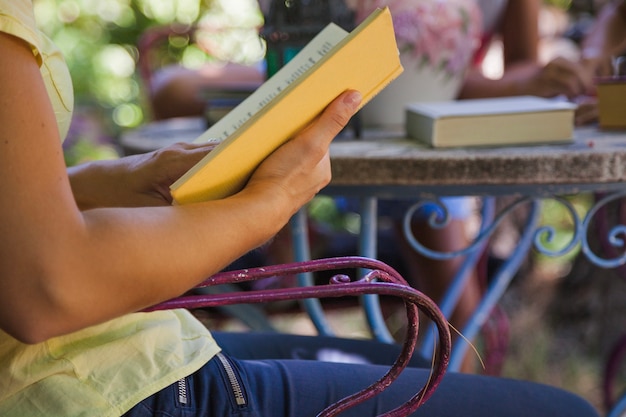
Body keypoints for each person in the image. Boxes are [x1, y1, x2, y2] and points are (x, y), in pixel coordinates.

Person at [0, 1, 605, 416]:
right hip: (84, 388)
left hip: (98, 356)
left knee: (394, 358)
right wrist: (270, 206)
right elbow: (47, 287)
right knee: (566, 411)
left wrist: (112, 179)